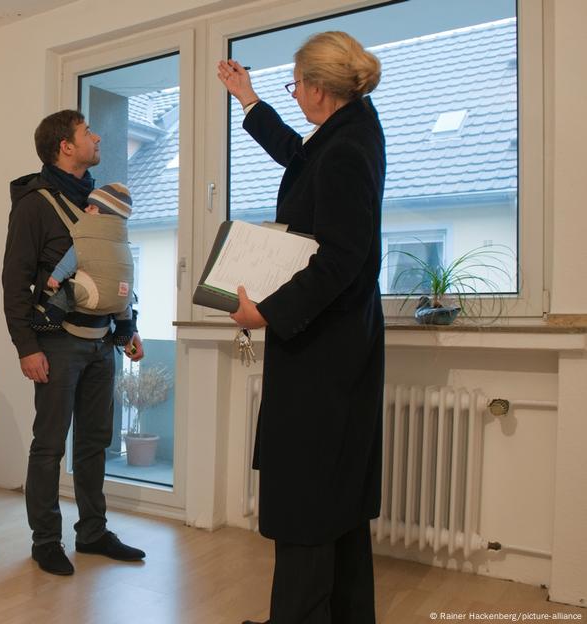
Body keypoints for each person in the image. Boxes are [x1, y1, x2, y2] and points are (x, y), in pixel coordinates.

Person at [218, 31, 386, 624]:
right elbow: (298, 154)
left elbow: (341, 256)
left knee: (308, 501)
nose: (295, 97)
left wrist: (267, 310)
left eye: (295, 86)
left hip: (323, 353)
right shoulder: (353, 130)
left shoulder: (345, 150)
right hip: (340, 346)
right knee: (336, 502)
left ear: (319, 87)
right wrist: (249, 100)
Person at [2, 109, 146, 576]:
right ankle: (46, 540)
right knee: (49, 446)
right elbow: (14, 281)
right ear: (65, 145)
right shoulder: (34, 204)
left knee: (93, 442)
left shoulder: (101, 203)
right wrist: (27, 347)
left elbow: (115, 268)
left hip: (103, 342)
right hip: (58, 343)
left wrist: (127, 328)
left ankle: (92, 533)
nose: (97, 136)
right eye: (88, 132)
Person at [34, 182, 136, 347]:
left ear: (104, 215)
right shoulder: (123, 244)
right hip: (121, 298)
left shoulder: (87, 239)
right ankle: (125, 328)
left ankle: (50, 318)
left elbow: (72, 258)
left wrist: (56, 275)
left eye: (91, 208)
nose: (86, 210)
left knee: (69, 292)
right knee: (124, 302)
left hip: (92, 293)